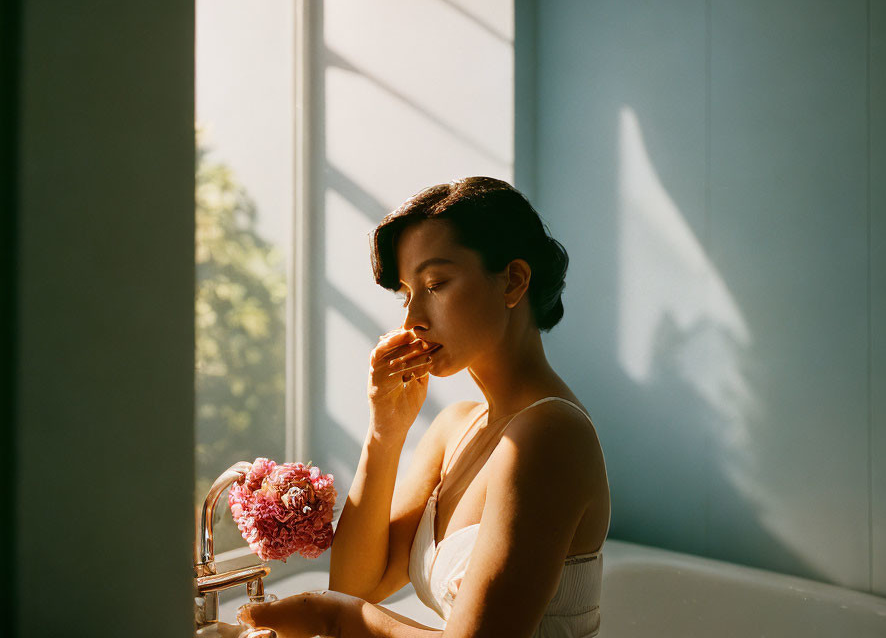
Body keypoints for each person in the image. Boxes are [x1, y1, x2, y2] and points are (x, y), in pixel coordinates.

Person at [239, 177, 611, 637]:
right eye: (405, 293)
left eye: (436, 283)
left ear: (513, 281)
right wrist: (384, 432)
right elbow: (358, 584)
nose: (412, 318)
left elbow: (347, 604)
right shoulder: (455, 429)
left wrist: (334, 616)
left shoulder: (552, 432)